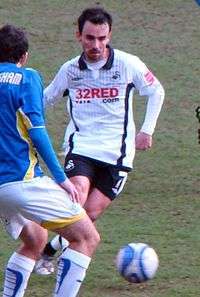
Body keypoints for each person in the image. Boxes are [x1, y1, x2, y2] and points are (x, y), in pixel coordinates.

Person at [34, 6, 165, 275]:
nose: (97, 44)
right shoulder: (70, 70)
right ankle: (51, 256)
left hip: (118, 154)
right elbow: (45, 99)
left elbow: (156, 91)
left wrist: (147, 130)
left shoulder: (128, 64)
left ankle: (48, 251)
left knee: (89, 215)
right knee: (76, 198)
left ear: (109, 35)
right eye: (90, 38)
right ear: (79, 35)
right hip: (81, 148)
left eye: (102, 38)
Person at [0, 24, 100, 297]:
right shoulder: (27, 78)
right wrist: (61, 179)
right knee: (86, 237)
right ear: (24, 56)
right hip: (21, 181)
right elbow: (38, 134)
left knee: (35, 239)